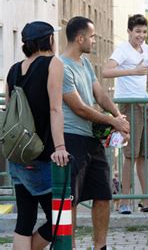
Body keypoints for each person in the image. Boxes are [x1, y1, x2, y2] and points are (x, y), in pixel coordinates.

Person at [61, 16, 130, 249]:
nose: (94, 41)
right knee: (71, 200)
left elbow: (99, 95)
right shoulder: (61, 66)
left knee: (103, 194)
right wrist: (113, 121)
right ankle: (67, 246)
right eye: (92, 37)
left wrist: (117, 117)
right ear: (79, 38)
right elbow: (79, 107)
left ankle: (100, 246)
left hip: (92, 138)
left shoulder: (85, 63)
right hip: (71, 138)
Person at [5, 21, 70, 249]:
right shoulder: (53, 64)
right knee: (60, 217)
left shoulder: (13, 70)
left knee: (25, 219)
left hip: (17, 154)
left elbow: (10, 113)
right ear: (48, 39)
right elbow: (55, 108)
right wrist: (60, 147)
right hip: (41, 154)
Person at [103, 14, 148, 214]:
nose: (141, 35)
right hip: (128, 106)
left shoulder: (145, 49)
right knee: (130, 156)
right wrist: (131, 71)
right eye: (137, 31)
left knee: (143, 156)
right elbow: (106, 71)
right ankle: (123, 202)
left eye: (144, 31)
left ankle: (147, 201)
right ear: (129, 31)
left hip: (143, 104)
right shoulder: (122, 49)